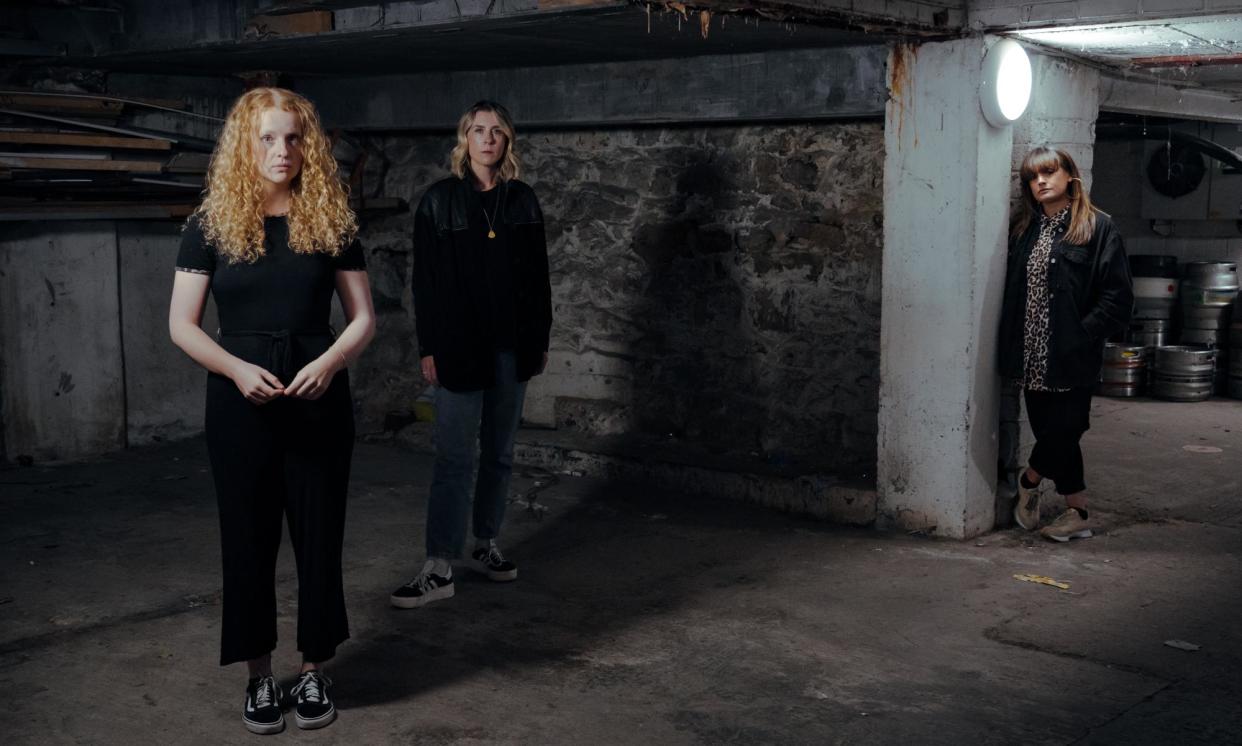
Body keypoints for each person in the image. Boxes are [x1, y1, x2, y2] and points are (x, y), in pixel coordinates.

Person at [169, 87, 375, 735]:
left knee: (319, 538)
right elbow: (182, 324)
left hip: (318, 397)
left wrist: (329, 362)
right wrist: (234, 368)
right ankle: (261, 679)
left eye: (292, 138)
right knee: (248, 540)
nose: (280, 150)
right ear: (243, 144)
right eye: (266, 137)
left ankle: (315, 670)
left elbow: (364, 318)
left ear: (306, 144)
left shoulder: (331, 219)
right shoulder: (210, 223)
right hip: (240, 403)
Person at [390, 100, 552, 609]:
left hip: (513, 346)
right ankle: (439, 562)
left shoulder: (522, 201)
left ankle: (486, 543)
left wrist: (540, 338)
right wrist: (429, 347)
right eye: (479, 130)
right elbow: (427, 284)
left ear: (507, 142)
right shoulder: (439, 202)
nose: (488, 139)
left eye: (497, 131)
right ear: (465, 139)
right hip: (459, 347)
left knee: (499, 454)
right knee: (455, 456)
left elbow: (538, 279)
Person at [998, 145, 1132, 542]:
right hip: (1031, 354)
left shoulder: (1097, 227)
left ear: (1070, 175)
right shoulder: (1026, 230)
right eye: (1032, 177)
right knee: (1055, 434)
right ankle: (1077, 511)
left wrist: (1081, 333)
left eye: (1049, 173)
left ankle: (1030, 480)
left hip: (1072, 354)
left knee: (1069, 426)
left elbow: (1118, 298)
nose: (1040, 181)